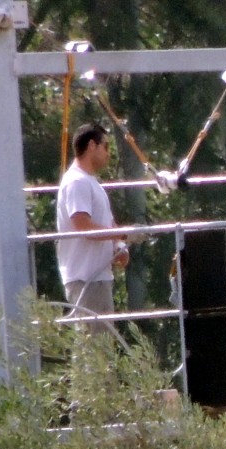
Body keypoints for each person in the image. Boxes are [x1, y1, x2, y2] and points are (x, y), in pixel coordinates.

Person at [56, 123, 130, 331]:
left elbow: (107, 222)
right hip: (85, 278)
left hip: (98, 277)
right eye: (105, 146)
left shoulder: (91, 183)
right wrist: (121, 234)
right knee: (95, 352)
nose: (108, 153)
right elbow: (82, 225)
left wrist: (119, 245)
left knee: (102, 348)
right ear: (91, 146)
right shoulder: (77, 182)